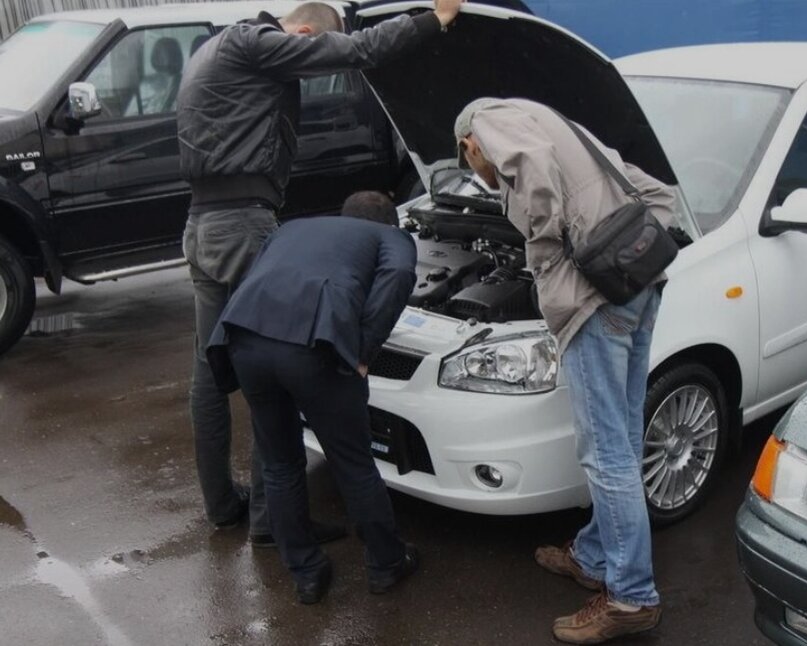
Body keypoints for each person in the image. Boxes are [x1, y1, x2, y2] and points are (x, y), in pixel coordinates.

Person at [176, 0, 464, 540]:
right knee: (276, 369)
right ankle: (273, 522)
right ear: (303, 33)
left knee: (211, 373)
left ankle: (224, 506)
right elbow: (356, 50)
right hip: (241, 225)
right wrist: (435, 18)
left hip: (202, 224)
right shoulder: (255, 44)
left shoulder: (211, 49)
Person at [453, 98, 678, 644]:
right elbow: (656, 194)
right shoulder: (568, 129)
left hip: (594, 302)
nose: (483, 178)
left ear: (469, 145)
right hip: (638, 286)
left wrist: (551, 255)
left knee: (604, 454)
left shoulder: (487, 121)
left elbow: (531, 173)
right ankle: (597, 555)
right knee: (620, 438)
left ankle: (631, 597)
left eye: (474, 168)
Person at [205, 191, 419, 604]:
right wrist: (363, 351)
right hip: (313, 347)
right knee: (353, 462)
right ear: (389, 222)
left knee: (281, 463)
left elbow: (262, 275)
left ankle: (306, 571)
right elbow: (396, 277)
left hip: (244, 338)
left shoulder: (296, 228)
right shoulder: (390, 237)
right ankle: (386, 563)